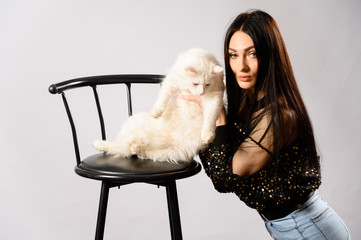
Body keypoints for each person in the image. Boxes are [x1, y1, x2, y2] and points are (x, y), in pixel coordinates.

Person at [181, 9, 351, 240]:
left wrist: (218, 113)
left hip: (307, 229)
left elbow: (223, 178)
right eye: (233, 55)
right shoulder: (248, 104)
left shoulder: (279, 116)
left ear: (270, 55)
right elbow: (219, 160)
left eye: (252, 54)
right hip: (290, 227)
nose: (241, 66)